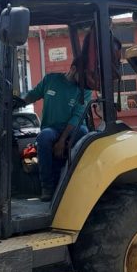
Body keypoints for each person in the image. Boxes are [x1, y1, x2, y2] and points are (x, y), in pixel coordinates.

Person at [14, 53, 92, 201]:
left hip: (72, 128)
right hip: (52, 128)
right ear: (73, 69)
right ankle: (47, 187)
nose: (85, 80)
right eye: (83, 75)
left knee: (84, 132)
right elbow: (34, 94)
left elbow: (77, 116)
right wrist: (19, 102)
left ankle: (78, 181)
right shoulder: (50, 80)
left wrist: (62, 141)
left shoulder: (85, 90)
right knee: (44, 137)